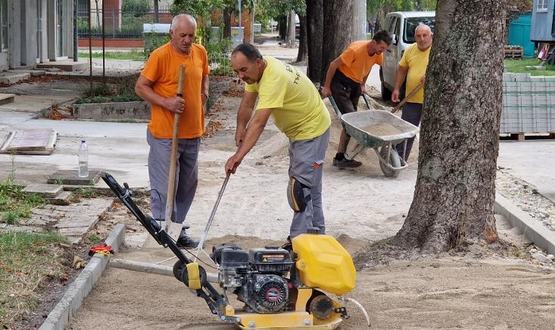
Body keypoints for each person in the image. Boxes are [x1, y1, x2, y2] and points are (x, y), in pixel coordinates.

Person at [224, 43, 331, 240]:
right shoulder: (256, 72)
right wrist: (240, 127)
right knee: (309, 187)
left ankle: (299, 242)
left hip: (312, 130)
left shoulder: (274, 77)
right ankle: (317, 237)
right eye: (237, 71)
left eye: (243, 70)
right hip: (299, 132)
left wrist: (238, 157)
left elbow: (258, 122)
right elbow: (247, 104)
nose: (240, 76)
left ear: (258, 62)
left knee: (300, 189)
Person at [134, 14, 209, 248]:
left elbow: (205, 74)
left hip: (192, 132)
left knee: (187, 185)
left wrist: (204, 92)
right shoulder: (161, 56)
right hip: (165, 134)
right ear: (172, 33)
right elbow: (140, 87)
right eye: (182, 35)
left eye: (190, 36)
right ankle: (163, 231)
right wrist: (166, 102)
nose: (187, 40)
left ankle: (177, 229)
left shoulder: (200, 52)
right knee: (166, 185)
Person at [321, 30, 392, 168]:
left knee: (350, 122)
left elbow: (369, 66)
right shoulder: (355, 49)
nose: (382, 51)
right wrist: (327, 86)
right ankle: (340, 158)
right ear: (373, 42)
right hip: (340, 82)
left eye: (385, 49)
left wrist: (362, 83)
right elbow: (333, 65)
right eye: (381, 47)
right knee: (352, 119)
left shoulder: (378, 54)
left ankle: (340, 157)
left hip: (355, 84)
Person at [391, 23, 433, 161]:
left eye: (425, 35)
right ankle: (399, 159)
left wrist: (432, 75)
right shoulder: (410, 50)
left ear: (431, 35)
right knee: (406, 131)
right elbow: (402, 69)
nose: (422, 39)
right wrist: (397, 88)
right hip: (412, 100)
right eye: (418, 36)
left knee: (431, 133)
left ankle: (428, 161)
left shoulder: (438, 50)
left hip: (432, 102)